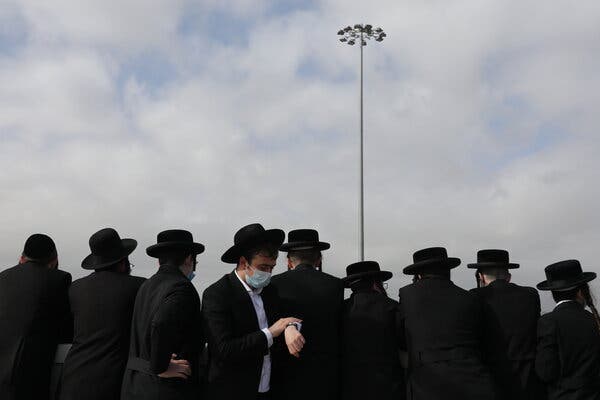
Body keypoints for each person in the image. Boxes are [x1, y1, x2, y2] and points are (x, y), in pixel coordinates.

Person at [202, 223, 304, 400]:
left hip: (268, 387)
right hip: (233, 390)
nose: (268, 273)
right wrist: (270, 333)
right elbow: (223, 349)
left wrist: (290, 327)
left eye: (272, 268)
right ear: (243, 262)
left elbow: (285, 318)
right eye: (263, 267)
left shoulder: (270, 291)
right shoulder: (217, 294)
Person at [398, 247, 497, 400]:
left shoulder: (407, 295)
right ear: (448, 270)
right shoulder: (469, 298)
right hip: (474, 382)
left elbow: (402, 339)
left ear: (418, 274)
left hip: (428, 386)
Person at [59, 228, 145, 400]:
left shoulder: (75, 288)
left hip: (71, 380)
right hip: (113, 384)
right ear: (123, 262)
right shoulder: (138, 286)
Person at [121, 229, 205, 400]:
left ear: (160, 261)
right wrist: (161, 366)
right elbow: (160, 324)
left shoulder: (146, 286)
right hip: (165, 389)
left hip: (135, 385)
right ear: (190, 258)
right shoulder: (182, 287)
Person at [270, 229, 343, 400]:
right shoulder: (336, 285)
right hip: (325, 376)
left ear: (288, 261)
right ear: (319, 259)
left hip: (285, 373)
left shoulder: (274, 284)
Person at [0, 234, 71, 400]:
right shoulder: (60, 279)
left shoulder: (2, 277)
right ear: (54, 260)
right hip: (29, 378)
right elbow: (65, 327)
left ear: (22, 258)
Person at [468, 249, 543, 400]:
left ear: (481, 277)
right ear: (509, 276)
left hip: (492, 384)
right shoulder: (530, 295)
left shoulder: (474, 297)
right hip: (528, 383)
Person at [535, 259, 600, 400]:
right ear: (581, 292)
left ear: (553, 293)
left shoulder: (548, 322)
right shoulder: (595, 320)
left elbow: (545, 372)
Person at [341, 261, 405, 400]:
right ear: (376, 283)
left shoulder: (340, 310)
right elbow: (404, 343)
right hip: (389, 387)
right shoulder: (392, 307)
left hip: (351, 388)